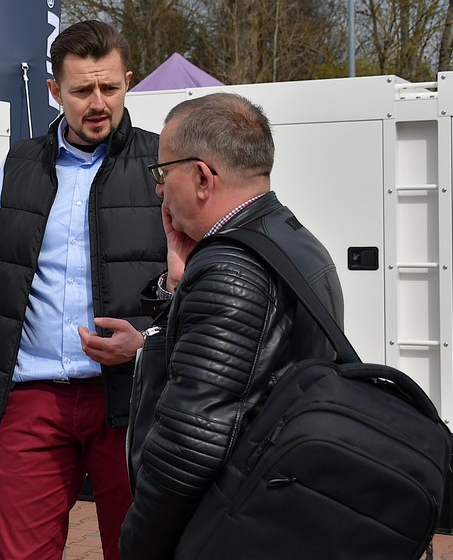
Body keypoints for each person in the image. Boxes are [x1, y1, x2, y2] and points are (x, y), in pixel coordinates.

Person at [0, 20, 167, 560]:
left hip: (131, 398)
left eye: (110, 87)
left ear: (128, 81)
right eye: (82, 90)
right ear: (53, 90)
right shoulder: (19, 167)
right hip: (33, 398)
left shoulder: (162, 164)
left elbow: (195, 288)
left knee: (138, 550)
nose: (99, 103)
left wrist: (146, 344)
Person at [116, 92, 344, 559]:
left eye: (162, 173)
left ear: (201, 177)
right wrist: (178, 284)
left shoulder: (231, 269)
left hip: (231, 531)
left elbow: (188, 447)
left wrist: (137, 545)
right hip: (279, 514)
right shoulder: (293, 238)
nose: (159, 190)